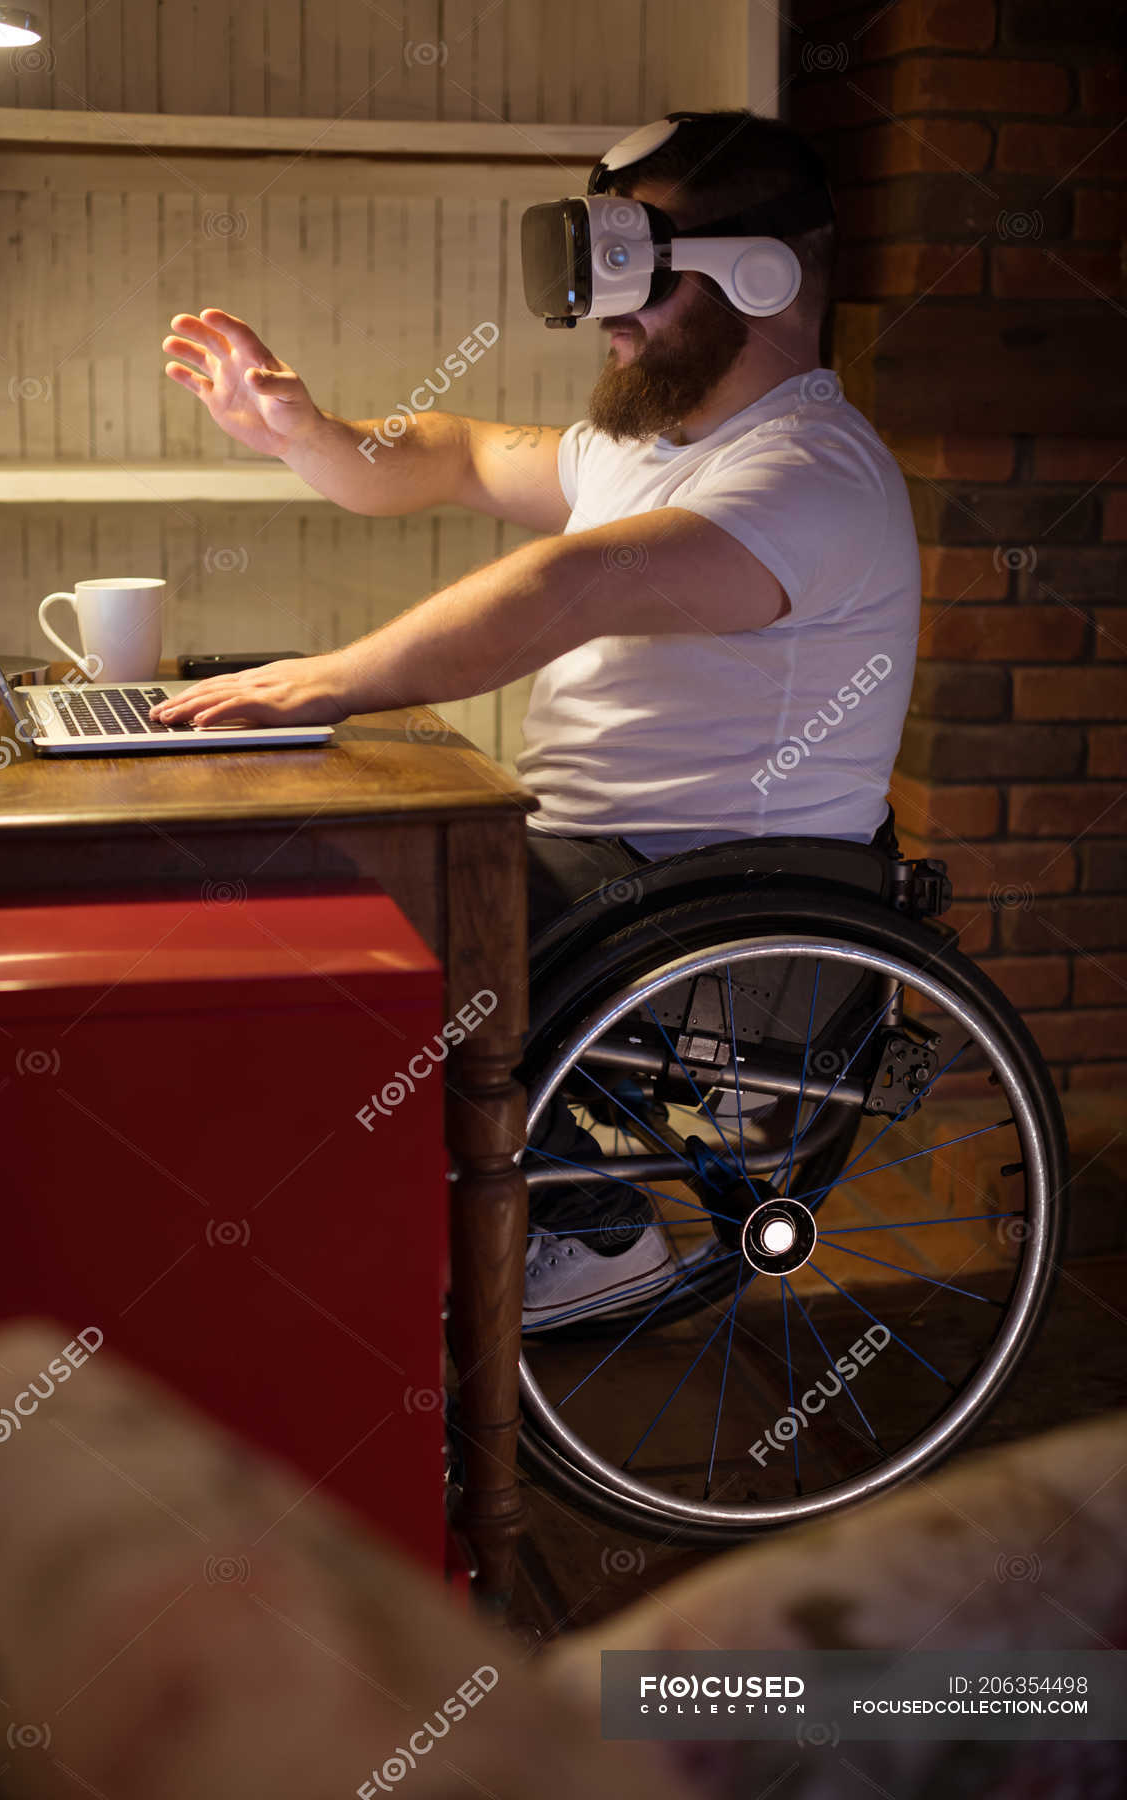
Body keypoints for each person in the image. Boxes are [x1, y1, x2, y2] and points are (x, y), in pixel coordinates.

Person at [153, 109, 921, 1326]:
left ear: (761, 277)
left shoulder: (808, 474)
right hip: (606, 867)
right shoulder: (651, 443)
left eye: (640, 286)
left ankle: (591, 1228)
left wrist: (331, 678)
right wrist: (307, 432)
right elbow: (454, 452)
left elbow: (563, 587)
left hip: (707, 896)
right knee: (342, 877)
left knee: (360, 902)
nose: (609, 322)